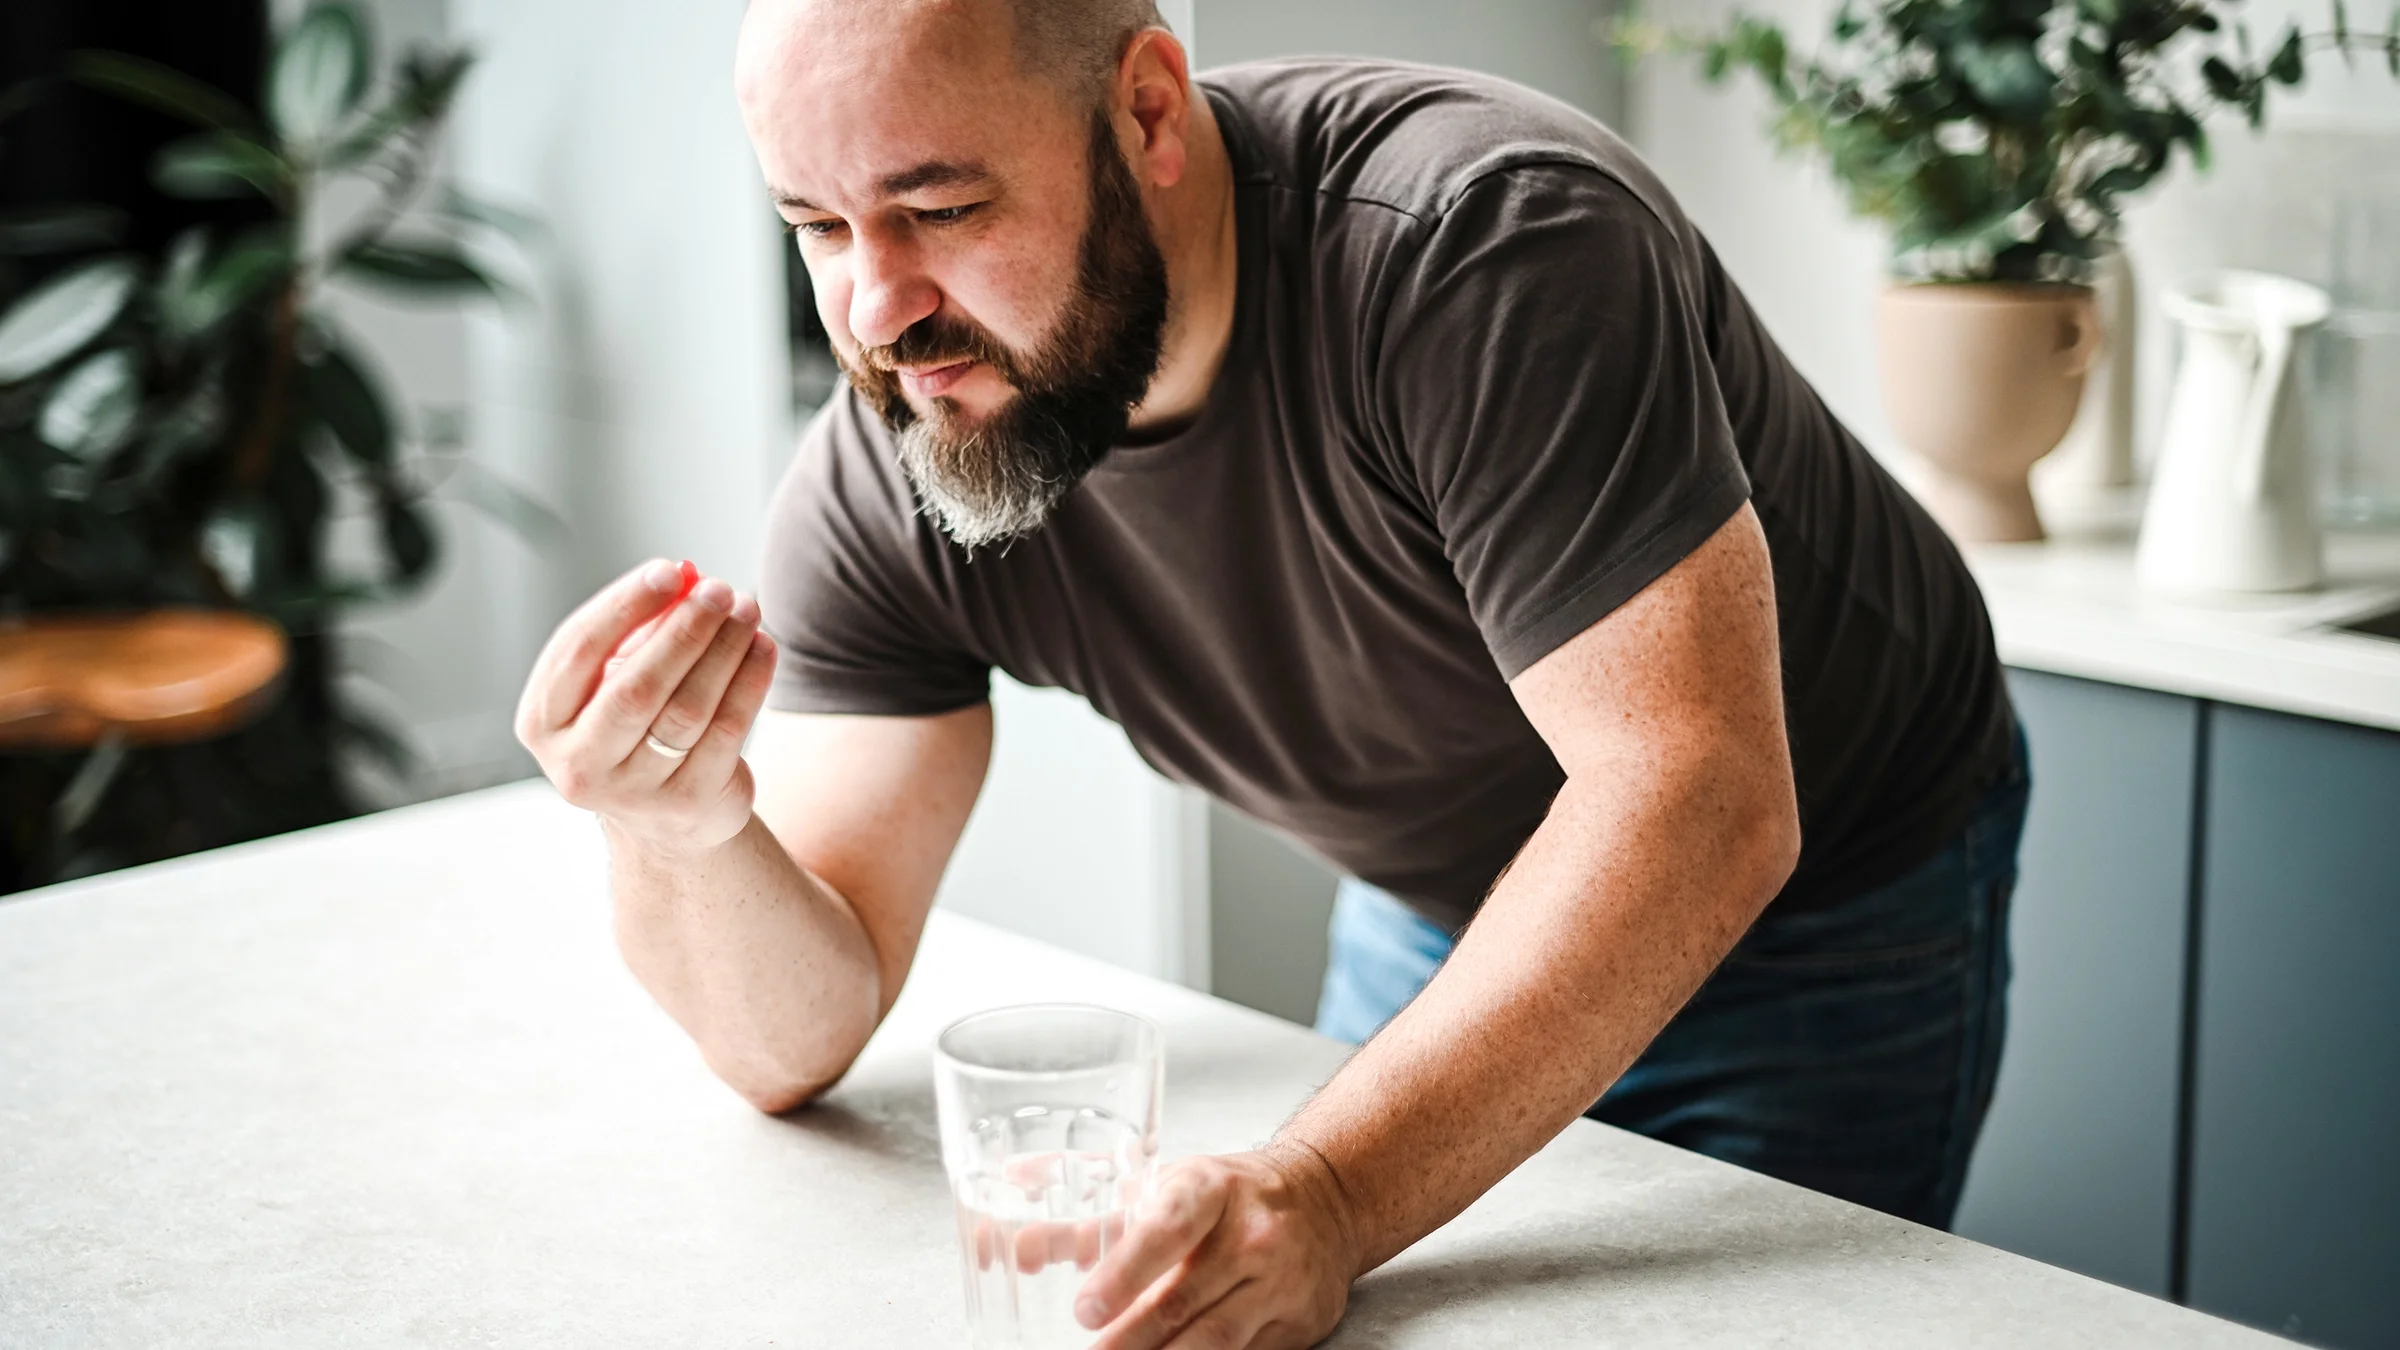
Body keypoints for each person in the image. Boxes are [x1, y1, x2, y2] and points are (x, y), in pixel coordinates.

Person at [513, 0, 2029, 1345]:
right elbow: (798, 1030)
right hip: (1444, 882)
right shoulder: (911, 443)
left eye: (943, 206)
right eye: (822, 227)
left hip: (1833, 883)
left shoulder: (1482, 247)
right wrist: (681, 828)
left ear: (1151, 110)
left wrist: (1327, 1189)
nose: (876, 315)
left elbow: (1699, 798)